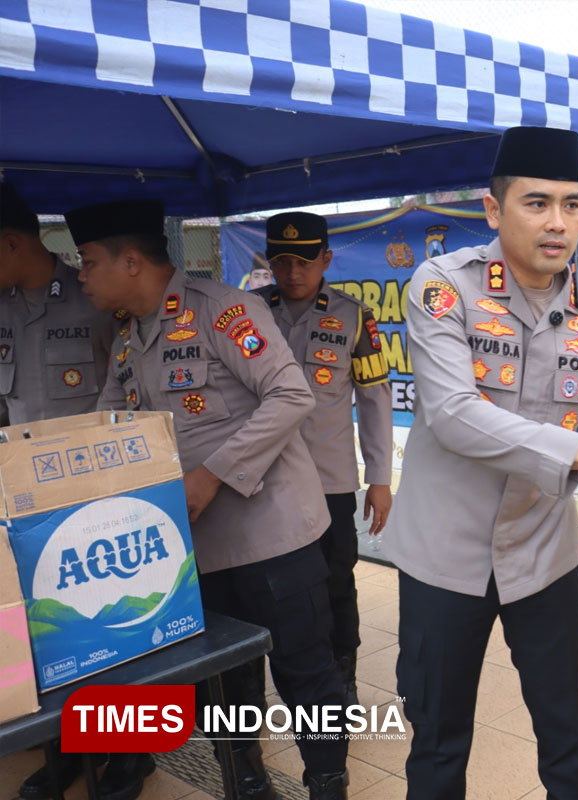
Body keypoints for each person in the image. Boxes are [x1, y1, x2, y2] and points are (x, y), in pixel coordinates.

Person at [382, 125, 578, 800]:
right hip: (446, 555)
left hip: (544, 551)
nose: (558, 223)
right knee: (437, 744)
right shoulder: (444, 287)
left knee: (569, 740)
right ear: (494, 210)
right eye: (537, 204)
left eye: (572, 205)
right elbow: (453, 414)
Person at [70, 199, 351, 800]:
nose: (81, 276)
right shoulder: (129, 340)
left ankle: (327, 781)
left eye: (89, 262)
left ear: (132, 261)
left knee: (306, 674)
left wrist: (211, 475)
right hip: (196, 550)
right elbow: (106, 427)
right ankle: (246, 780)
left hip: (274, 536)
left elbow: (291, 395)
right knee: (229, 681)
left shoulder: (224, 312)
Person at [0, 184, 145, 800]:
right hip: (18, 505)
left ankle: (134, 755)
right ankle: (68, 750)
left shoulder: (96, 300)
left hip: (97, 504)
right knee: (46, 636)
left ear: (9, 242)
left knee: (115, 630)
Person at [254, 211, 393, 705]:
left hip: (330, 482)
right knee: (269, 583)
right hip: (261, 482)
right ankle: (287, 673)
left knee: (336, 580)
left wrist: (379, 478)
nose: (293, 272)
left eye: (305, 261)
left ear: (327, 259)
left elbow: (375, 399)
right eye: (282, 261)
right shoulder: (247, 313)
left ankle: (343, 676)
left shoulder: (354, 316)